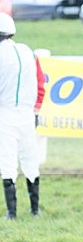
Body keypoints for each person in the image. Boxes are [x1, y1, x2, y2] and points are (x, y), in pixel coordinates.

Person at [0, 13, 45, 218]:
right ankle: (35, 210)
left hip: (5, 113)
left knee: (8, 161)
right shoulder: (27, 51)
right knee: (30, 158)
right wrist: (35, 109)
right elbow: (40, 82)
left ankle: (12, 212)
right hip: (27, 113)